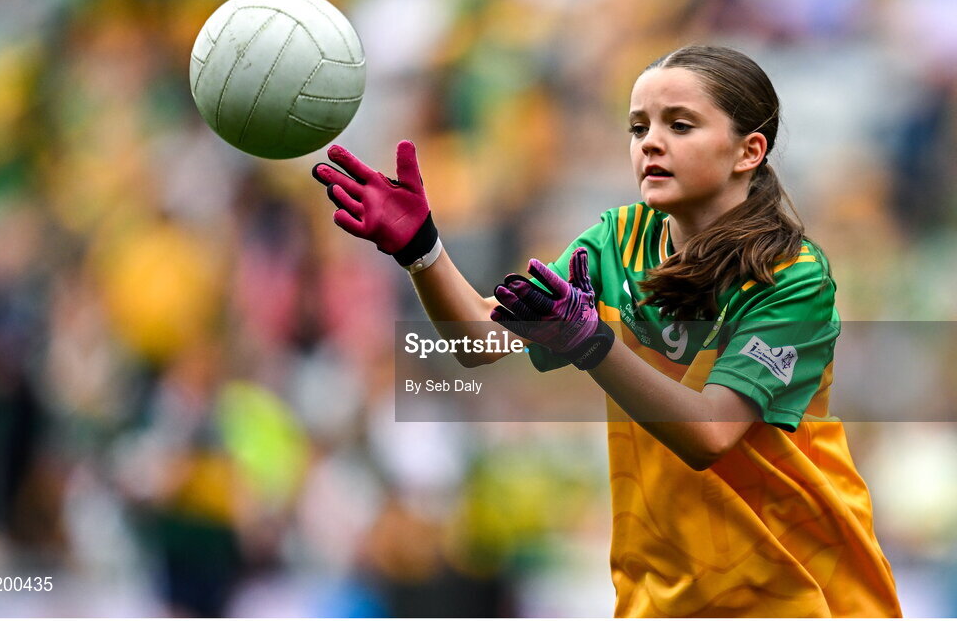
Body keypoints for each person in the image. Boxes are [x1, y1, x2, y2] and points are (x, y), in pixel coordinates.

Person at [311, 45, 901, 617]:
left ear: (749, 150)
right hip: (659, 601)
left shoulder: (793, 278)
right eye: (638, 127)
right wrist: (423, 251)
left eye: (680, 124)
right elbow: (478, 344)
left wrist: (592, 345)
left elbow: (710, 435)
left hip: (800, 599)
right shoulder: (615, 242)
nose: (651, 142)